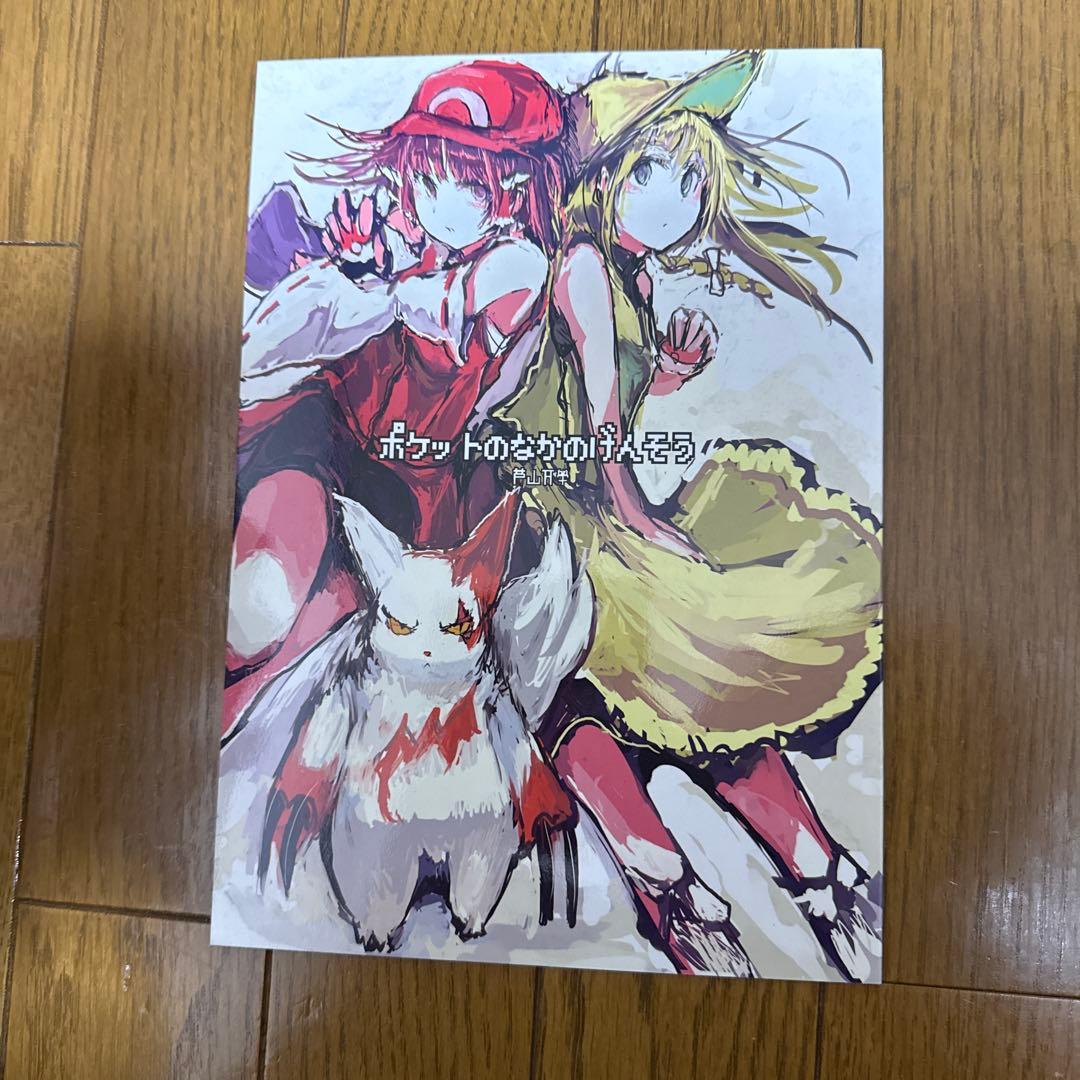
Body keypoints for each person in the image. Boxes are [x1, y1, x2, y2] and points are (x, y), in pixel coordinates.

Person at [494, 51, 883, 979]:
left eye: (691, 181)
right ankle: (681, 880)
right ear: (606, 179)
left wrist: (664, 374)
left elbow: (615, 395)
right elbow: (596, 421)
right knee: (594, 676)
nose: (675, 201)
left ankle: (805, 873)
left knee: (697, 674)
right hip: (548, 511)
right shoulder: (582, 265)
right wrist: (636, 519)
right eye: (653, 172)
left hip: (593, 496)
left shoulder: (629, 278)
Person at [225, 60, 571, 745]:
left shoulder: (517, 265)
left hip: (407, 486)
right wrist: (352, 263)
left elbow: (427, 310)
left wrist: (369, 272)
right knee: (262, 596)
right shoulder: (407, 241)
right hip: (320, 431)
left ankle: (227, 739)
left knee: (336, 630)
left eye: (464, 182)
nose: (435, 199)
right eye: (426, 177)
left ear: (511, 187)